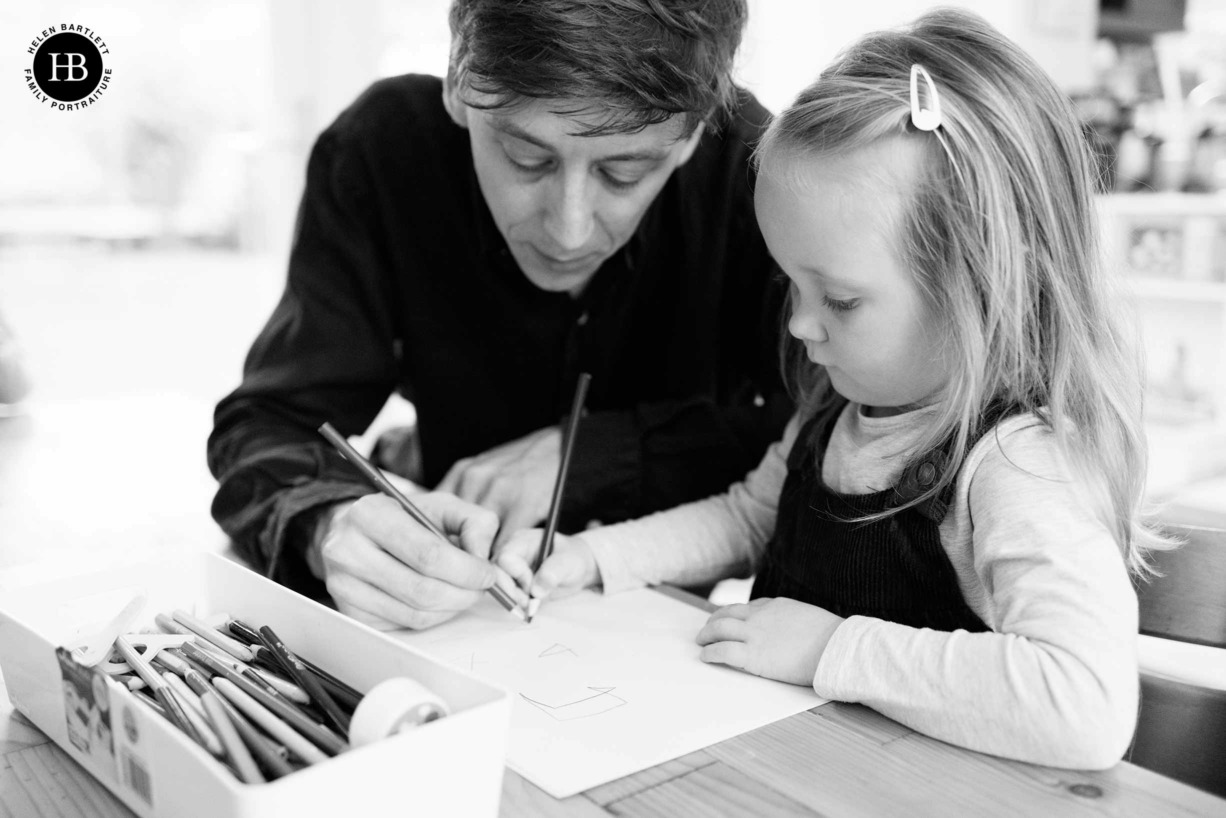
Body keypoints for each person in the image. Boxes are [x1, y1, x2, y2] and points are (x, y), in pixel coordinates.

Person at [501, 9, 1171, 769]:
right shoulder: (837, 414)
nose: (799, 328)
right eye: (792, 286)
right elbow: (743, 520)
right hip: (798, 775)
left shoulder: (1018, 467)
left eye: (840, 301)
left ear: (983, 282)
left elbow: (1084, 703)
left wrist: (831, 647)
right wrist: (587, 558)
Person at [207, 0, 790, 630]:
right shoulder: (382, 154)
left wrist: (592, 455)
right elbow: (264, 427)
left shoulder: (763, 173)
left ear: (696, 132)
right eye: (526, 158)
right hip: (445, 631)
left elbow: (820, 444)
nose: (569, 231)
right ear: (459, 84)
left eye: (624, 173)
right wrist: (330, 520)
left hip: (669, 634)